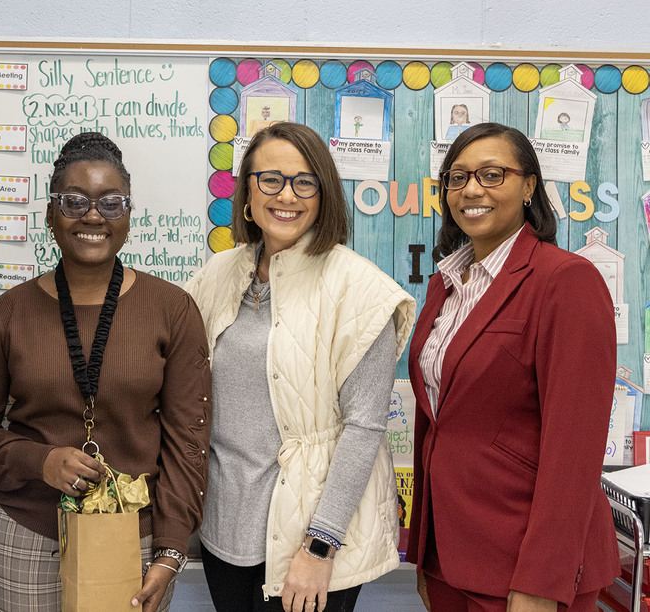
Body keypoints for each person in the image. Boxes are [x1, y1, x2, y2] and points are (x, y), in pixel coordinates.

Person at [0, 132, 211, 612]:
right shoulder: (4, 316)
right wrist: (39, 461)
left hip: (135, 535)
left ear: (129, 215)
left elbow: (187, 443)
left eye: (112, 203)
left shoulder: (173, 311)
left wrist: (171, 549)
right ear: (50, 214)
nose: (93, 216)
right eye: (74, 201)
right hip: (24, 535)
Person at [184, 122, 416, 612]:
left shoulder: (360, 290)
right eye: (271, 179)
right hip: (224, 525)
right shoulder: (217, 276)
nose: (286, 195)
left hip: (309, 537)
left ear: (323, 194)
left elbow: (365, 426)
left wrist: (320, 544)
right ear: (248, 188)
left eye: (304, 181)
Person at [406, 123, 619, 611]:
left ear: (529, 187)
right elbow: (435, 427)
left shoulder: (565, 280)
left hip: (526, 567)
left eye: (492, 174)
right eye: (456, 178)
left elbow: (575, 449)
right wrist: (424, 553)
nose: (472, 189)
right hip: (449, 557)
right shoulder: (446, 285)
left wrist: (542, 581)